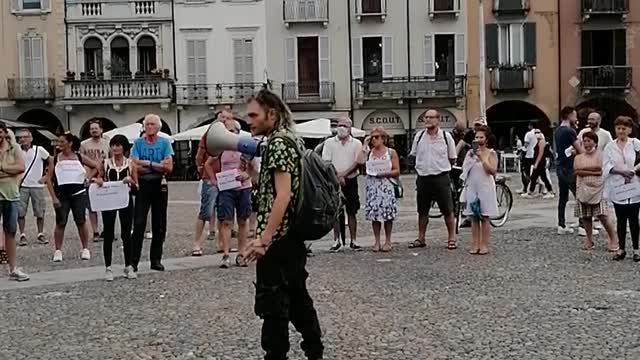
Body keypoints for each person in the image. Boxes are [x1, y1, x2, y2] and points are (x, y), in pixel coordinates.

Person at [243, 89, 323, 360]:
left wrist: (264, 238)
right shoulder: (290, 140)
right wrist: (254, 175)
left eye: (254, 115)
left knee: (273, 305)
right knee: (298, 297)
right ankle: (314, 350)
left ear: (272, 114)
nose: (249, 120)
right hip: (292, 237)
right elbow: (277, 190)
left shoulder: (277, 143)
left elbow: (284, 195)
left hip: (279, 240)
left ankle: (276, 356)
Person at [408, 109, 458, 250]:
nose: (428, 120)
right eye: (426, 118)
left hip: (441, 177)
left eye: (431, 117)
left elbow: (452, 157)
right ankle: (421, 237)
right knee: (422, 210)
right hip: (423, 177)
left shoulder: (446, 137)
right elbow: (413, 155)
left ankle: (451, 238)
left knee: (448, 209)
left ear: (438, 120)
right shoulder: (419, 137)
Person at [130, 114, 174, 272]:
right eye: (147, 124)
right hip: (142, 184)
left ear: (158, 127)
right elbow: (134, 165)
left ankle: (156, 259)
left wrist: (146, 164)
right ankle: (133, 260)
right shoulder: (138, 143)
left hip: (159, 184)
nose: (149, 127)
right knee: (139, 222)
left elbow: (169, 167)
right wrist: (156, 165)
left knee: (159, 224)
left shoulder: (164, 143)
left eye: (152, 124)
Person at [47, 133, 99, 262]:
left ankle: (85, 248)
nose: (59, 145)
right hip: (62, 194)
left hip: (78, 194)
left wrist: (88, 178)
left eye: (62, 142)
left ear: (70, 143)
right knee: (60, 222)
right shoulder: (55, 159)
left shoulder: (80, 157)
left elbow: (96, 166)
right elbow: (48, 178)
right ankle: (58, 250)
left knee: (81, 220)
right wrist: (53, 197)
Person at [92, 135, 138, 281]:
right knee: (109, 232)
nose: (116, 148)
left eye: (118, 145)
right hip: (109, 201)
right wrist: (98, 181)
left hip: (125, 200)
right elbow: (100, 178)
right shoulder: (105, 164)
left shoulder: (131, 164)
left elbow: (137, 187)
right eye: (113, 145)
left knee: (126, 233)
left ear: (124, 147)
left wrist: (130, 181)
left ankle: (128, 265)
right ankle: (108, 267)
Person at [216, 119, 255, 268]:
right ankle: (226, 254)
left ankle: (241, 253)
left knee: (243, 220)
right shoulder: (220, 149)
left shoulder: (244, 147)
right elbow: (208, 163)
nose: (229, 134)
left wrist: (247, 175)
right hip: (226, 188)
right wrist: (214, 180)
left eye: (232, 131)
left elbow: (253, 167)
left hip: (243, 187)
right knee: (226, 221)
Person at [321, 116, 364, 252]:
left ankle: (353, 240)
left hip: (350, 180)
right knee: (335, 211)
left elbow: (358, 162)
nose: (341, 128)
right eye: (339, 125)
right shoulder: (329, 143)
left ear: (350, 128)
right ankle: (336, 240)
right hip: (333, 180)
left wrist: (343, 174)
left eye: (344, 125)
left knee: (352, 210)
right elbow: (326, 162)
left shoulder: (356, 143)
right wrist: (336, 176)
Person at [574, 131, 618, 251]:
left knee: (602, 215)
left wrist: (585, 170)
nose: (587, 143)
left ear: (595, 142)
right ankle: (589, 239)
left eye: (589, 141)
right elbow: (577, 170)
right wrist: (591, 170)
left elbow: (600, 170)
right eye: (585, 141)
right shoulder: (579, 157)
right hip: (583, 187)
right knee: (586, 216)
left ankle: (613, 238)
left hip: (598, 188)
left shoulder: (601, 155)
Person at [603, 116, 640, 261]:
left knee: (634, 219)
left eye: (624, 128)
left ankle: (636, 249)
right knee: (621, 219)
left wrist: (634, 170)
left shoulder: (635, 144)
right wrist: (620, 171)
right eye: (618, 128)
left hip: (634, 184)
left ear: (629, 130)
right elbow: (606, 165)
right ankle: (622, 248)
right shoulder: (610, 146)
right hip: (618, 186)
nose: (621, 131)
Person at [461, 125, 498, 255]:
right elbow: (464, 170)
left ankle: (484, 244)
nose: (478, 139)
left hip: (485, 187)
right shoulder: (470, 154)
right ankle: (475, 243)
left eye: (481, 137)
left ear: (486, 139)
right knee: (473, 217)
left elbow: (492, 170)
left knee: (484, 216)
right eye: (476, 137)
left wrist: (482, 158)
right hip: (472, 186)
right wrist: (471, 159)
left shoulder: (491, 153)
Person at [0, 122, 29, 281]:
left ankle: (13, 268)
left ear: (4, 133)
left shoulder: (14, 148)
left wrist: (4, 167)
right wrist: (10, 169)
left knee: (10, 231)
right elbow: (16, 168)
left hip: (11, 194)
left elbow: (21, 167)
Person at [363, 127, 399, 252]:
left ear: (383, 138)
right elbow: (359, 162)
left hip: (386, 185)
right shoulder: (368, 152)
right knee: (375, 216)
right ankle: (377, 241)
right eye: (372, 137)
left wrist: (384, 173)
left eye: (377, 137)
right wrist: (364, 145)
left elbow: (397, 170)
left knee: (387, 215)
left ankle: (388, 240)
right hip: (373, 187)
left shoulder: (391, 152)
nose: (374, 139)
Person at [16, 128, 53, 246]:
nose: (22, 139)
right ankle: (22, 234)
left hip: (37, 184)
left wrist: (47, 176)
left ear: (31, 138)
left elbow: (51, 160)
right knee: (20, 212)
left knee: (40, 211)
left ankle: (40, 233)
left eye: (25, 137)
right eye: (20, 137)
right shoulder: (16, 151)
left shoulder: (39, 150)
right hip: (22, 185)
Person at [80, 118, 110, 243]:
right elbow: (81, 160)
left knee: (106, 206)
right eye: (92, 129)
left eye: (96, 128)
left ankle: (107, 229)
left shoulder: (107, 144)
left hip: (103, 178)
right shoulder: (84, 144)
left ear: (101, 130)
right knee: (91, 207)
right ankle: (95, 231)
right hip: (89, 178)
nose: (94, 131)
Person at [555, 106, 583, 235]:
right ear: (570, 115)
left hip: (560, 166)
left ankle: (561, 224)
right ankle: (583, 225)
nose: (576, 118)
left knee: (563, 196)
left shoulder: (558, 131)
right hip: (570, 167)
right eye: (575, 116)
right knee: (580, 196)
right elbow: (580, 150)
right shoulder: (569, 131)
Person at [191, 132, 220, 256]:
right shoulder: (208, 137)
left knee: (224, 212)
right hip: (209, 177)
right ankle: (196, 242)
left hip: (225, 177)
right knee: (205, 211)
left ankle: (222, 242)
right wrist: (201, 169)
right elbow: (199, 157)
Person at [522, 130, 554, 198]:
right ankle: (531, 192)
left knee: (541, 177)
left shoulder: (542, 141)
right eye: (535, 133)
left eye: (538, 132)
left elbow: (540, 153)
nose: (537, 134)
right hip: (539, 162)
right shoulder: (538, 141)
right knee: (535, 177)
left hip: (540, 163)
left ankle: (550, 191)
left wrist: (536, 163)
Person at [519, 121, 538, 194]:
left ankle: (525, 188)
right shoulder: (538, 134)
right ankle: (534, 188)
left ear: (531, 126)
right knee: (536, 172)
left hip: (528, 155)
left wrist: (521, 152)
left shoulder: (528, 134)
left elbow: (526, 145)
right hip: (535, 154)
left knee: (525, 172)